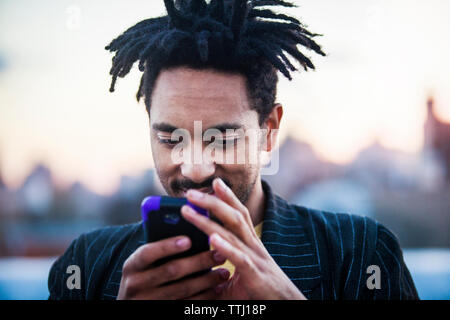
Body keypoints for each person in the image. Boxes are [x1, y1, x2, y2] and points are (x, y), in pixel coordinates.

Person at [48, 0, 419, 300]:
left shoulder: (361, 253)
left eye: (222, 138)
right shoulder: (88, 265)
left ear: (268, 131)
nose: (194, 169)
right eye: (169, 138)